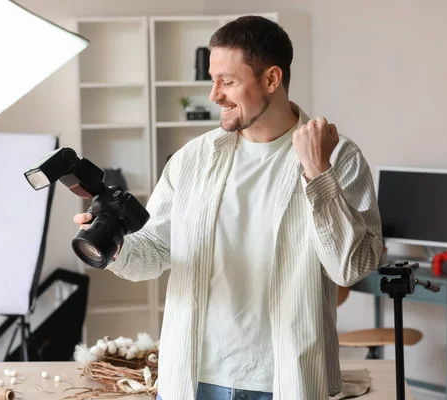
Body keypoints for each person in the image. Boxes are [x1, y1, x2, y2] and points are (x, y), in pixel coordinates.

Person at [74, 15, 383, 400]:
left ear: (272, 79)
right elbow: (154, 252)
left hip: (286, 380)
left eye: (228, 81)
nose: (214, 95)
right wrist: (115, 244)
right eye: (213, 78)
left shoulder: (338, 158)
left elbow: (350, 268)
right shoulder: (192, 159)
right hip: (196, 378)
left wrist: (317, 173)